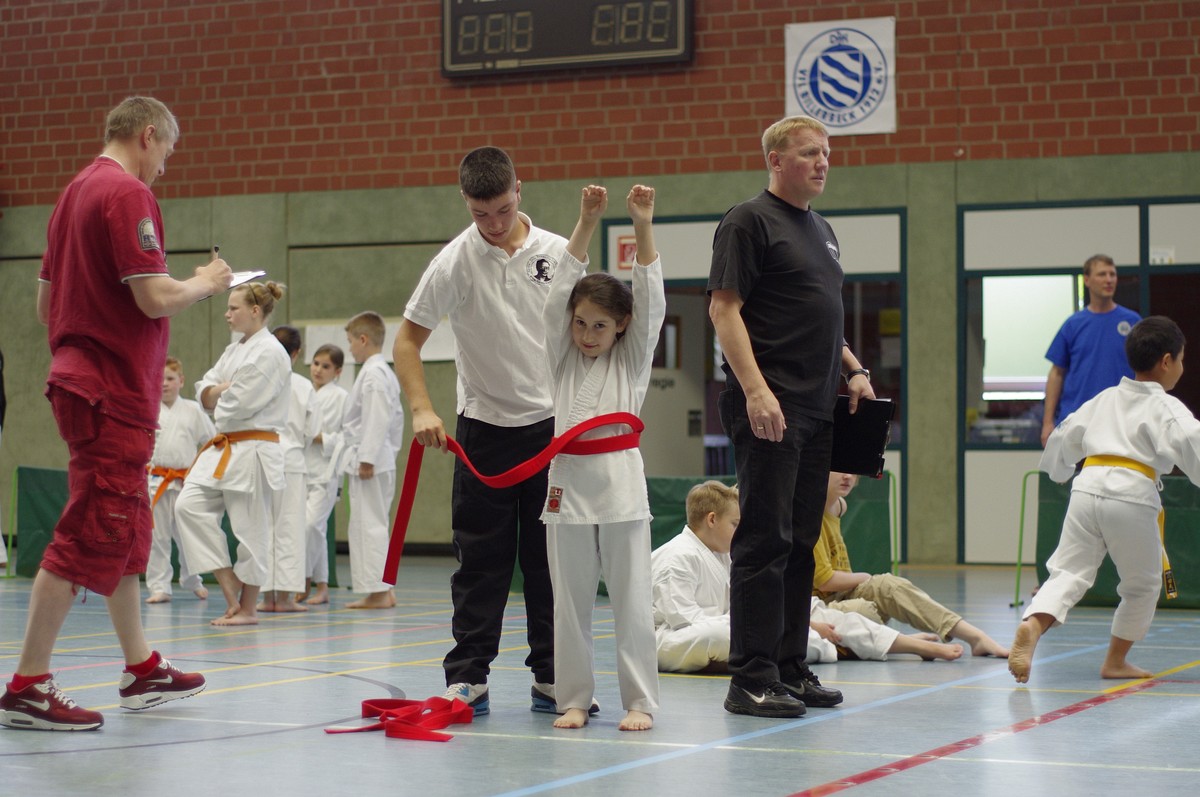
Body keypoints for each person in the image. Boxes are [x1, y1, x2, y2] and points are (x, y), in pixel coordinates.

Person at [0, 97, 230, 732]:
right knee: (88, 531)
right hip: (111, 388)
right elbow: (154, 297)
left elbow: (45, 309)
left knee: (126, 528)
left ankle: (141, 666)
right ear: (148, 135)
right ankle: (28, 684)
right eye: (166, 153)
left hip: (83, 382)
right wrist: (208, 281)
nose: (164, 168)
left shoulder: (71, 195)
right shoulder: (126, 193)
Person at [707, 115, 870, 719]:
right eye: (808, 153)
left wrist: (853, 368)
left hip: (818, 407)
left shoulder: (822, 229)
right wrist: (756, 391)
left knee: (801, 543)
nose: (822, 162)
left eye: (826, 153)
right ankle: (750, 678)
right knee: (765, 541)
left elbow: (818, 314)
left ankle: (790, 668)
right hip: (770, 406)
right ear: (776, 161)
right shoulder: (747, 221)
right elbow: (725, 311)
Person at [392, 146, 563, 715]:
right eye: (480, 213)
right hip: (483, 433)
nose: (493, 223)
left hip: (552, 431)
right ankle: (468, 676)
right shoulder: (454, 262)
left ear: (520, 190)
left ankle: (553, 675)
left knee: (548, 561)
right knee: (481, 563)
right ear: (465, 202)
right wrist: (422, 408)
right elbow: (407, 341)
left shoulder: (558, 252)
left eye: (503, 210)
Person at [1011, 316, 1200, 683]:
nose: (1182, 366)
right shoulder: (1166, 407)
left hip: (1086, 487)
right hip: (1132, 494)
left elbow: (1063, 437)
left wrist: (1060, 471)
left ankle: (1032, 625)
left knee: (1068, 572)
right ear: (1166, 361)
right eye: (1181, 359)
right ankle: (1115, 661)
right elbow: (1193, 444)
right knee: (1141, 586)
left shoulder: (1104, 399)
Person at [542, 185, 663, 731]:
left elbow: (651, 303)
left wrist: (642, 226)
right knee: (568, 603)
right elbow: (555, 299)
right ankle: (574, 697)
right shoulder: (561, 359)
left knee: (632, 599)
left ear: (621, 327)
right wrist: (586, 223)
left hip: (620, 483)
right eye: (581, 323)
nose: (588, 335)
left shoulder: (631, 361)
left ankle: (640, 701)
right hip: (567, 480)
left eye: (600, 325)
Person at [652, 482, 962, 676]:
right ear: (711, 520)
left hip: (724, 628)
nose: (740, 531)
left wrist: (801, 621)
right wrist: (762, 623)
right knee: (732, 632)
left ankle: (906, 644)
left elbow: (751, 603)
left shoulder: (724, 554)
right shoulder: (676, 558)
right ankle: (787, 647)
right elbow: (685, 622)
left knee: (809, 612)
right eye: (735, 524)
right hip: (673, 640)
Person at [175, 281, 291, 627]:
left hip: (253, 447)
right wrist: (216, 392)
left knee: (250, 530)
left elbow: (236, 405)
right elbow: (203, 390)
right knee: (188, 506)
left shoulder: (270, 352)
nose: (227, 314)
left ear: (254, 311)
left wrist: (218, 394)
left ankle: (249, 608)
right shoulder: (234, 349)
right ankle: (227, 579)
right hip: (224, 444)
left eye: (233, 308)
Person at [815, 472, 1008, 657]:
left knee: (889, 585)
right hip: (818, 609)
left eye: (852, 471)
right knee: (862, 611)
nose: (847, 476)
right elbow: (825, 581)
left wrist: (871, 583)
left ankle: (975, 636)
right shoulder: (810, 513)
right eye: (838, 469)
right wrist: (865, 577)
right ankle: (908, 643)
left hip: (841, 597)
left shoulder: (839, 505)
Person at [1040, 254, 1141, 447]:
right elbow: (1056, 373)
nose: (1109, 280)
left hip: (1121, 423)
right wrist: (1047, 422)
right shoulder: (1073, 325)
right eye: (1102, 274)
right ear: (1087, 280)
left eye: (1112, 274)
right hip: (1077, 423)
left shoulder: (1133, 322)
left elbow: (1147, 371)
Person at [341, 312, 404, 609]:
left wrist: (367, 457)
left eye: (351, 341)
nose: (350, 348)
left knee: (369, 526)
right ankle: (383, 590)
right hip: (378, 458)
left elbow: (376, 418)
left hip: (371, 460)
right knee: (373, 524)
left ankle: (378, 592)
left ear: (363, 340)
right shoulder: (380, 372)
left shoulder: (374, 374)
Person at [257, 326, 320, 613]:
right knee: (289, 529)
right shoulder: (304, 386)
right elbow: (313, 430)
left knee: (263, 527)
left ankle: (265, 597)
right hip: (292, 460)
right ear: (297, 353)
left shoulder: (260, 382)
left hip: (263, 457)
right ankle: (283, 599)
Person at [145, 356, 215, 604]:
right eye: (160, 378)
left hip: (186, 481)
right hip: (155, 481)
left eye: (170, 378)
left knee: (188, 536)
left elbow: (212, 441)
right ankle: (159, 586)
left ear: (181, 381)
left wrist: (201, 471)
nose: (164, 383)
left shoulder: (194, 410)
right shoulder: (149, 408)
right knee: (157, 537)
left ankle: (192, 579)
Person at [299, 343, 348, 606]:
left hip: (326, 472)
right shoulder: (303, 392)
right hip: (302, 470)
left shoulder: (342, 397)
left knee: (311, 526)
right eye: (316, 363)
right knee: (313, 530)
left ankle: (304, 581)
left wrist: (320, 438)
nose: (318, 370)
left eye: (326, 366)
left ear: (337, 371)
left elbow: (348, 437)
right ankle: (322, 587)